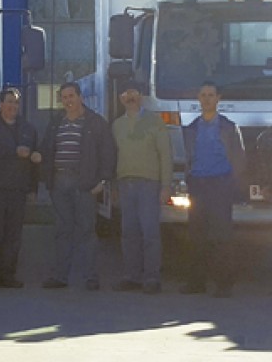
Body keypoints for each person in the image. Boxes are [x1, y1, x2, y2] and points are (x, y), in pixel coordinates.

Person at [40, 82, 116, 291]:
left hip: (84, 184)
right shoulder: (56, 122)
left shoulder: (96, 123)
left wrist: (103, 181)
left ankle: (90, 277)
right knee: (63, 231)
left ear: (81, 97)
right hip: (59, 183)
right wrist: (47, 177)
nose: (68, 101)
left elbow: (107, 154)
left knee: (87, 231)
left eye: (71, 96)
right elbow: (47, 149)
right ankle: (60, 276)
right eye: (64, 97)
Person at [180, 81, 246, 298]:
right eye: (203, 95)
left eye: (211, 95)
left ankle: (224, 284)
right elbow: (188, 158)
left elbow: (238, 158)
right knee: (196, 236)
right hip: (198, 185)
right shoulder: (191, 129)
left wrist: (233, 185)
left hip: (220, 185)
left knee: (222, 237)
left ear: (219, 98)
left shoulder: (228, 127)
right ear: (198, 98)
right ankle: (196, 283)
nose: (207, 99)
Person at [0, 87, 42, 290]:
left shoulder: (28, 129)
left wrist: (33, 189)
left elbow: (34, 161)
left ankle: (8, 276)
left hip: (18, 190)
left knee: (13, 236)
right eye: (9, 102)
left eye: (16, 103)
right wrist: (15, 151)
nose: (13, 106)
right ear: (1, 104)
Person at [111, 80, 172, 295]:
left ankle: (152, 278)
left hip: (149, 184)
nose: (130, 97)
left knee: (150, 232)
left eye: (134, 92)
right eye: (125, 93)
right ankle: (132, 276)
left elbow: (165, 155)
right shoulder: (117, 125)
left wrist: (166, 186)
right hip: (125, 183)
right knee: (129, 232)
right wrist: (113, 185)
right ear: (121, 98)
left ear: (141, 96)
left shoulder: (155, 122)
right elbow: (113, 156)